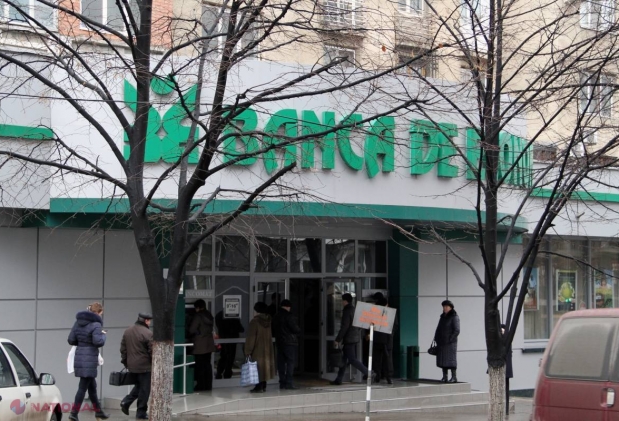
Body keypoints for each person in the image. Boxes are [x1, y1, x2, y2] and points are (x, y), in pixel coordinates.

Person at [67, 302, 109, 421]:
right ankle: (74, 413)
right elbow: (98, 342)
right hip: (89, 358)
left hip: (80, 356)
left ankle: (99, 412)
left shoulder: (78, 322)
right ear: (98, 313)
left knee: (92, 387)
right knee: (82, 387)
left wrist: (82, 342)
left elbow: (71, 340)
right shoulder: (96, 324)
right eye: (101, 313)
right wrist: (103, 335)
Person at [330, 293, 370, 385]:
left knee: (352, 359)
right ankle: (338, 379)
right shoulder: (354, 310)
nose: (341, 302)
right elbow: (359, 325)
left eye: (342, 300)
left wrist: (338, 339)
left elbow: (345, 326)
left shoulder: (347, 311)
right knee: (344, 360)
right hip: (353, 338)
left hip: (349, 339)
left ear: (345, 301)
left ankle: (369, 373)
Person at [120, 313, 153, 420]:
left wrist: (126, 362)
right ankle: (141, 412)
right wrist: (154, 364)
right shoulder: (148, 333)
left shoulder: (128, 331)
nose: (150, 323)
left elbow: (123, 349)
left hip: (132, 365)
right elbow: (152, 351)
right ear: (146, 321)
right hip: (145, 366)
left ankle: (126, 402)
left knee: (139, 386)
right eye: (149, 320)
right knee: (145, 389)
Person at [245, 302, 276, 393]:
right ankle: (263, 385)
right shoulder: (269, 321)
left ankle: (258, 386)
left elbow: (251, 338)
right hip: (267, 348)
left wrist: (248, 350)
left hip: (257, 349)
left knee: (257, 368)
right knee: (264, 367)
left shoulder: (254, 322)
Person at [273, 299, 301, 389]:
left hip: (279, 342)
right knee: (290, 362)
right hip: (289, 342)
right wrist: (299, 330)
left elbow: (273, 329)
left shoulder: (276, 316)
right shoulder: (289, 316)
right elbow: (295, 329)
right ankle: (289, 382)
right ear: (288, 307)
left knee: (281, 363)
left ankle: (282, 382)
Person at [189, 299, 216, 391]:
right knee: (207, 365)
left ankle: (201, 386)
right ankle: (208, 385)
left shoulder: (198, 316)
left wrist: (196, 333)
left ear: (197, 307)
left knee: (200, 366)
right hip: (209, 344)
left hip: (200, 345)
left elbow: (191, 330)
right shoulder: (209, 315)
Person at [434, 300, 460, 383]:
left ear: (450, 307)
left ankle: (454, 377)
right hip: (442, 342)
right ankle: (444, 377)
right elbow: (438, 328)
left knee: (451, 360)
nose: (444, 308)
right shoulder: (442, 317)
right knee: (443, 360)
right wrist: (436, 338)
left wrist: (450, 339)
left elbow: (457, 330)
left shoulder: (454, 317)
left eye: (446, 306)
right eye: (443, 307)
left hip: (450, 343)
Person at [215, 310, 245, 379]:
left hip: (223, 338)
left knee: (224, 356)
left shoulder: (219, 315)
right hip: (232, 338)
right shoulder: (233, 315)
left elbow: (218, 325)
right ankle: (227, 373)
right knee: (230, 356)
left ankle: (219, 372)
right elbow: (240, 328)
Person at [372, 297, 393, 384]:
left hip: (377, 339)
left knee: (377, 359)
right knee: (387, 359)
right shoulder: (391, 313)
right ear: (386, 304)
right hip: (387, 340)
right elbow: (394, 326)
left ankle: (377, 375)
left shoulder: (375, 313)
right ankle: (388, 377)